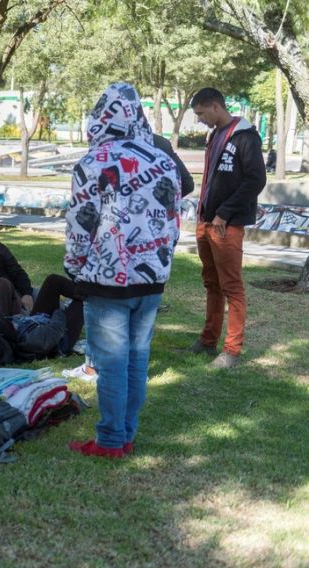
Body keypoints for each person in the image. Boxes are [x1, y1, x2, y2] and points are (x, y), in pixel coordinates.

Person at [64, 82, 181, 458]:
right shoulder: (164, 161)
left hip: (107, 281)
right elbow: (173, 221)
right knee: (137, 359)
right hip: (152, 278)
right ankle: (126, 434)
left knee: (112, 364)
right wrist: (161, 264)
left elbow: (81, 223)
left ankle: (111, 440)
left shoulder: (93, 162)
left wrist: (75, 267)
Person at [63, 132, 194, 383]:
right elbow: (184, 184)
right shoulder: (155, 145)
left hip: (120, 248)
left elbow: (84, 210)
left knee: (110, 316)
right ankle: (120, 372)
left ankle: (99, 368)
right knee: (132, 326)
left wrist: (148, 204)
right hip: (140, 253)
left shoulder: (127, 146)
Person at [188, 87, 266, 369]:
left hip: (226, 225)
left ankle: (231, 352)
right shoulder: (214, 136)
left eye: (200, 114)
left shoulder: (245, 136)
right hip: (206, 222)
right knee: (211, 284)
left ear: (216, 107)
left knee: (232, 288)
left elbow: (256, 180)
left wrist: (224, 214)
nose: (199, 120)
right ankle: (207, 341)